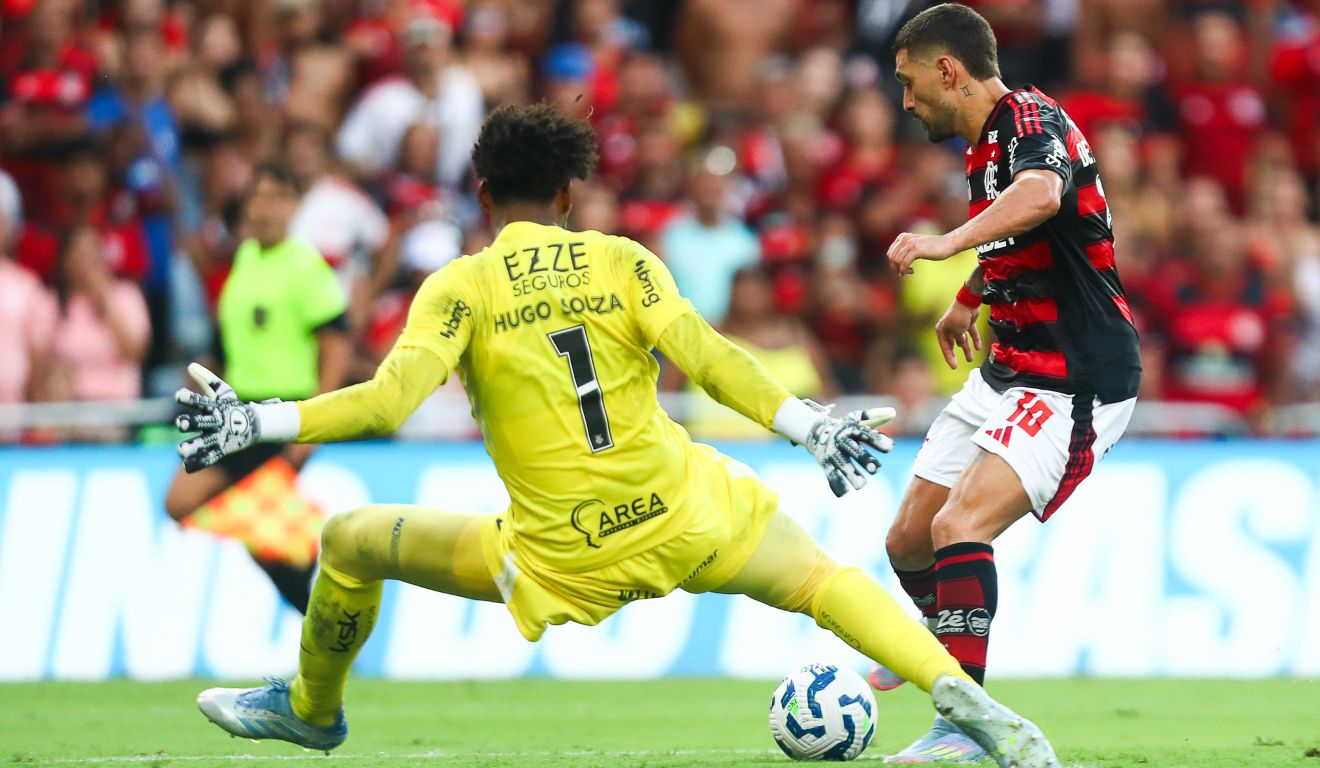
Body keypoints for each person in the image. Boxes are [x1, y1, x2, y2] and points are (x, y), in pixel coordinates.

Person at [175, 104, 1059, 768]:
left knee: (349, 539)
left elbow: (383, 403)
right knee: (825, 584)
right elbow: (707, 357)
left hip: (558, 554)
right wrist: (807, 425)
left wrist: (256, 419)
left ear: (481, 194)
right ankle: (968, 702)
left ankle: (312, 710)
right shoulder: (624, 260)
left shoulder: (460, 287)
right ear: (571, 193)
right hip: (687, 515)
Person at [874, 5, 1141, 763]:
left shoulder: (1031, 119)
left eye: (909, 81)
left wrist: (943, 245)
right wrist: (969, 298)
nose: (906, 100)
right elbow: (1021, 237)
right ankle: (944, 650)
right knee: (908, 541)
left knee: (960, 528)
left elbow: (1040, 198)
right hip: (1011, 367)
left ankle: (967, 726)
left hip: (1075, 377)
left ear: (947, 70)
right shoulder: (981, 144)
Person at [164, 161, 351, 613]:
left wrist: (319, 420)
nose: (264, 209)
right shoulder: (244, 261)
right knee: (190, 506)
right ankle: (314, 575)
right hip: (237, 414)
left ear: (293, 206)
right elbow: (227, 345)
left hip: (283, 414)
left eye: (275, 198)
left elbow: (337, 345)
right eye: (258, 198)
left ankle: (317, 588)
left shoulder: (306, 265)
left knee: (233, 516)